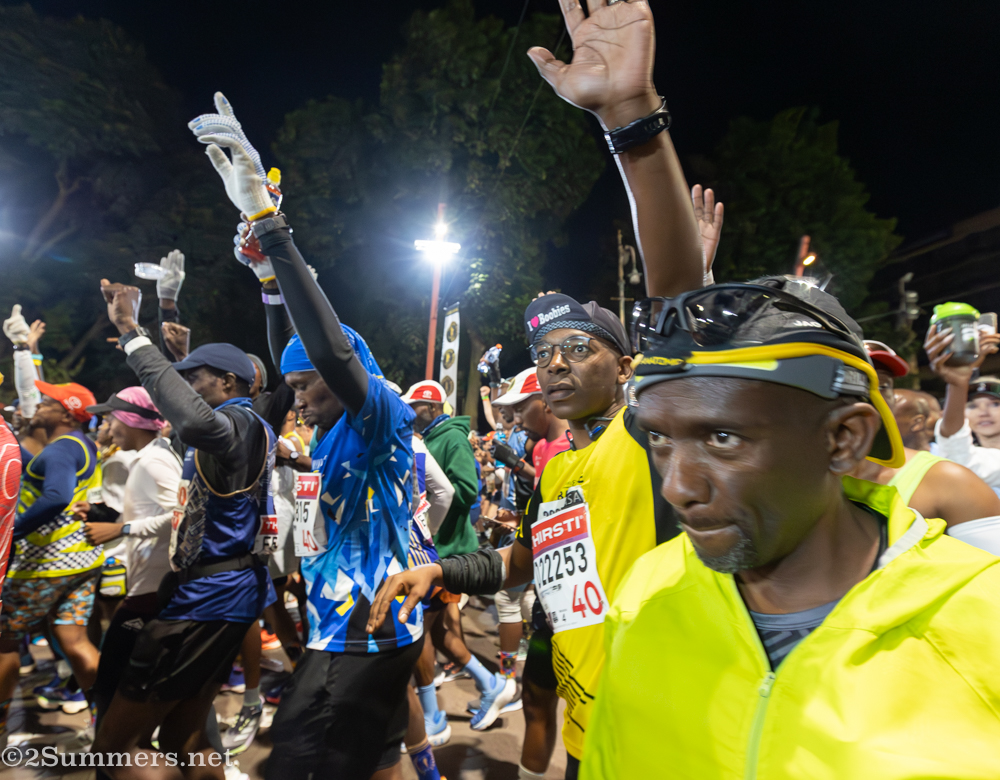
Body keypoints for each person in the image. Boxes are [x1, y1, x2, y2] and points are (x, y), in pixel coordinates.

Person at [580, 278, 1000, 779]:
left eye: (722, 437)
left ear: (843, 439)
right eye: (659, 438)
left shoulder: (982, 616)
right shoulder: (645, 591)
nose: (676, 487)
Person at [189, 89, 425, 779]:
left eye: (306, 390)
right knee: (377, 760)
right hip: (356, 627)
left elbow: (326, 355)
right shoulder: (328, 425)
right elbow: (298, 358)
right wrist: (267, 279)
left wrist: (271, 222)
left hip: (361, 636)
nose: (298, 400)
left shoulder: (375, 412)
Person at [92, 278, 276, 779]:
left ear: (229, 385)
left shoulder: (237, 424)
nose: (186, 391)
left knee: (114, 745)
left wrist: (131, 331)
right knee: (184, 735)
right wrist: (184, 353)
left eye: (196, 378)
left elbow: (197, 422)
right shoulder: (239, 421)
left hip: (208, 600)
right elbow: (195, 414)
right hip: (222, 594)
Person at [401, 379, 516, 730]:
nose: (409, 411)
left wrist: (430, 522)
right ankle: (491, 685)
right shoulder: (431, 438)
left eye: (415, 406)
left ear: (433, 408)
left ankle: (432, 717)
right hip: (440, 551)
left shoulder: (449, 438)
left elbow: (465, 489)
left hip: (446, 550)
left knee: (419, 631)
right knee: (440, 634)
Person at [0, 381, 103, 738]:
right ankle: (106, 719)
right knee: (75, 642)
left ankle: (0, 723)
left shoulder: (60, 449)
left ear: (65, 413)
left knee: (5, 642)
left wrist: (12, 530)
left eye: (46, 402)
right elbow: (40, 471)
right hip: (80, 561)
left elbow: (56, 496)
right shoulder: (79, 445)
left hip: (43, 566)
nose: (38, 406)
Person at [81, 388, 180, 736]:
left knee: (113, 683)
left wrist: (121, 528)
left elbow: (179, 515)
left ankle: (114, 756)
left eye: (111, 417)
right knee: (150, 687)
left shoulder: (154, 461)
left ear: (130, 420)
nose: (107, 425)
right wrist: (100, 515)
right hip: (147, 585)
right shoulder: (147, 457)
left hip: (153, 589)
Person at [849, 338, 1000, 533]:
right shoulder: (802, 477)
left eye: (883, 385)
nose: (869, 395)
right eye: (853, 381)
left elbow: (959, 453)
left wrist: (957, 384)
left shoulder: (946, 476)